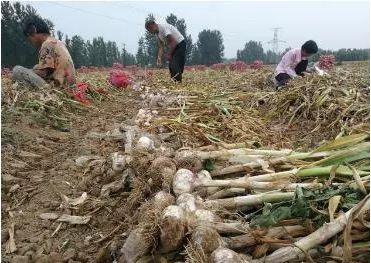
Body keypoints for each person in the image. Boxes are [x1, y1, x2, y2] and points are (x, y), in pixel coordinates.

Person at [12, 15, 76, 89]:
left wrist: (29, 71)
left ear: (33, 30)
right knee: (36, 67)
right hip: (69, 86)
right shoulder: (57, 42)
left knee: (17, 70)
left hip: (58, 89)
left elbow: (43, 73)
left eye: (30, 39)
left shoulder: (47, 44)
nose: (31, 43)